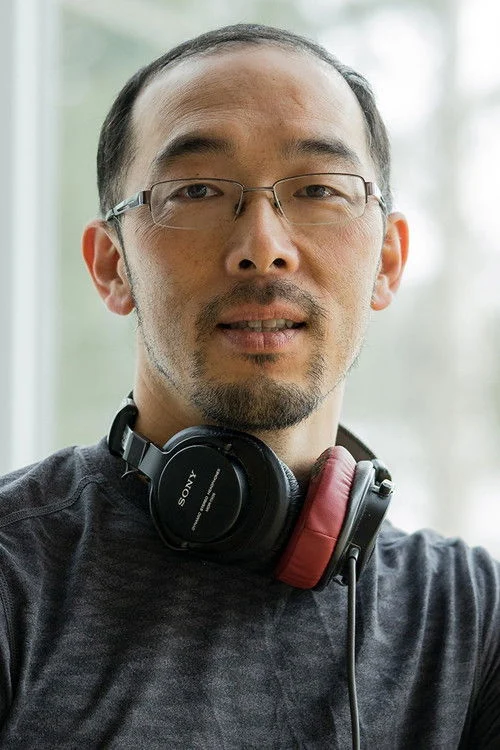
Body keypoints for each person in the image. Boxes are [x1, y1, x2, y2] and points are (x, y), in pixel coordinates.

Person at [0, 22, 498, 750]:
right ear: (112, 265)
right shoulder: (12, 575)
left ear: (388, 261)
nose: (263, 247)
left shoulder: (473, 621)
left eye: (319, 189)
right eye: (196, 190)